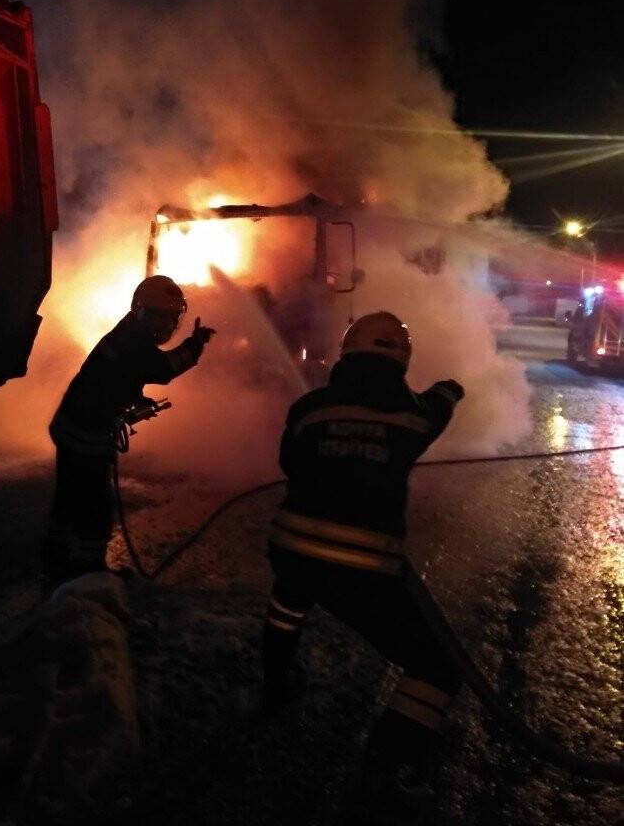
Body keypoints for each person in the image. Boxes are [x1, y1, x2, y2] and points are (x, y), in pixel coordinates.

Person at [262, 311, 464, 812]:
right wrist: (451, 389)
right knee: (439, 667)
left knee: (288, 604)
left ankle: (275, 684)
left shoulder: (310, 405)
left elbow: (290, 462)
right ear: (401, 358)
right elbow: (438, 407)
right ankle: (381, 771)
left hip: (290, 547)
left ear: (348, 351)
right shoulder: (414, 413)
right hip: (362, 566)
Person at [43, 274, 215, 586]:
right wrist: (195, 345)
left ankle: (56, 560)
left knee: (69, 498)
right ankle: (87, 572)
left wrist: (134, 399)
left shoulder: (129, 334)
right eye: (165, 317)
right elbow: (165, 369)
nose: (168, 325)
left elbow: (118, 376)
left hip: (74, 426)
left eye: (172, 318)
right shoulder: (134, 340)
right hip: (86, 435)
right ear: (144, 311)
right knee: (95, 506)